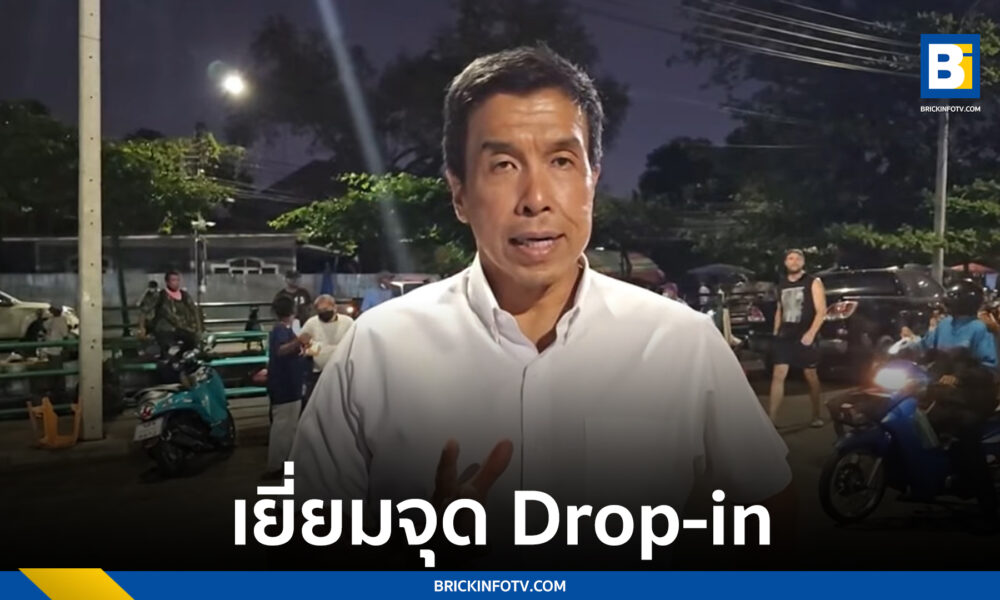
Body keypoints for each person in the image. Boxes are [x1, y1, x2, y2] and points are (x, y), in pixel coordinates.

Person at [291, 46, 793, 567]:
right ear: (459, 193)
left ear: (592, 181)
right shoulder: (376, 350)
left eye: (561, 161)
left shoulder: (684, 345)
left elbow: (769, 518)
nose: (535, 198)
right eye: (503, 164)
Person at [903, 280, 999, 526]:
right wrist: (904, 349)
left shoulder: (979, 329)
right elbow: (925, 347)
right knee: (917, 423)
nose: (947, 302)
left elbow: (990, 368)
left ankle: (990, 511)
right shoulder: (945, 324)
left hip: (974, 397)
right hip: (943, 392)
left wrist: (960, 377)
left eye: (953, 298)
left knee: (967, 438)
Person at [768, 249, 827, 427]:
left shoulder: (813, 282)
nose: (794, 262)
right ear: (785, 262)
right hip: (785, 335)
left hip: (805, 333)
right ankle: (771, 420)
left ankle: (816, 415)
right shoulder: (781, 284)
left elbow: (821, 311)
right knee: (778, 374)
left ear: (803, 262)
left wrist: (811, 333)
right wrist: (776, 331)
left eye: (798, 259)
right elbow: (780, 309)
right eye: (790, 258)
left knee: (810, 375)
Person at [263, 295, 310, 480]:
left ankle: (284, 463)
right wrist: (299, 341)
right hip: (286, 385)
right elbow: (281, 350)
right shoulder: (280, 330)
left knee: (288, 427)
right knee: (283, 427)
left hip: (289, 384)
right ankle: (277, 465)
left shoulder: (285, 329)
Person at [300, 294, 354, 410]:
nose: (323, 313)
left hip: (341, 372)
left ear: (334, 307)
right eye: (319, 311)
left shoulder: (348, 322)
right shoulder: (311, 323)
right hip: (317, 373)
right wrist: (313, 348)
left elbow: (353, 343)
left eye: (325, 310)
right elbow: (303, 343)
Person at [140, 270, 202, 356]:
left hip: (182, 328)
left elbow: (194, 311)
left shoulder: (184, 295)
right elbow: (144, 311)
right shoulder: (160, 295)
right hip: (165, 330)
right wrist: (142, 328)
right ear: (167, 282)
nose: (176, 283)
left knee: (192, 342)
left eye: (177, 280)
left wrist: (198, 328)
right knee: (169, 348)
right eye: (173, 280)